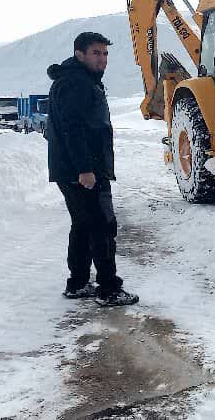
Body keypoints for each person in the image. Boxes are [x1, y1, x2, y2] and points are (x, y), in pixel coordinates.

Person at [47, 31, 138, 307]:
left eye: (105, 53)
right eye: (96, 53)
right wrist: (86, 169)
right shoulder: (76, 83)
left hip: (74, 169)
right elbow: (72, 129)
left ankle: (77, 283)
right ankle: (108, 289)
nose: (103, 59)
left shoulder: (81, 80)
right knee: (102, 226)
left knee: (84, 226)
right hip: (84, 171)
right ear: (80, 54)